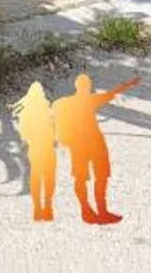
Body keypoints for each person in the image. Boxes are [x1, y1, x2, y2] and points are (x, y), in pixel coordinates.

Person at [51, 72, 139, 225]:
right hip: (93, 143)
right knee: (99, 177)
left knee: (83, 177)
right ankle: (99, 211)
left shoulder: (66, 102)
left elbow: (53, 117)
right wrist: (128, 84)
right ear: (87, 87)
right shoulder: (89, 100)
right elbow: (111, 93)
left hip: (79, 145)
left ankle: (88, 210)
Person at [14, 82, 57, 222]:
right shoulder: (48, 110)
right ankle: (47, 206)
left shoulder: (26, 113)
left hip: (35, 149)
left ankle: (38, 208)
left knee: (36, 178)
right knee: (48, 178)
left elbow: (24, 135)